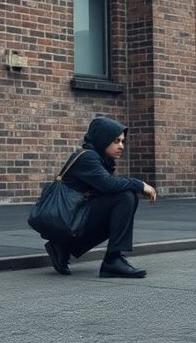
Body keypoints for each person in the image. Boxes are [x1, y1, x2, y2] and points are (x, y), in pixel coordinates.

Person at [44, 117, 158, 278]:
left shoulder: (99, 159)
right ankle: (112, 260)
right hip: (65, 218)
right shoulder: (88, 158)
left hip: (74, 217)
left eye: (123, 141)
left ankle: (63, 248)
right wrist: (140, 185)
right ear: (103, 139)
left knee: (120, 211)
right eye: (116, 141)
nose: (121, 146)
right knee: (126, 197)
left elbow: (106, 189)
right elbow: (108, 185)